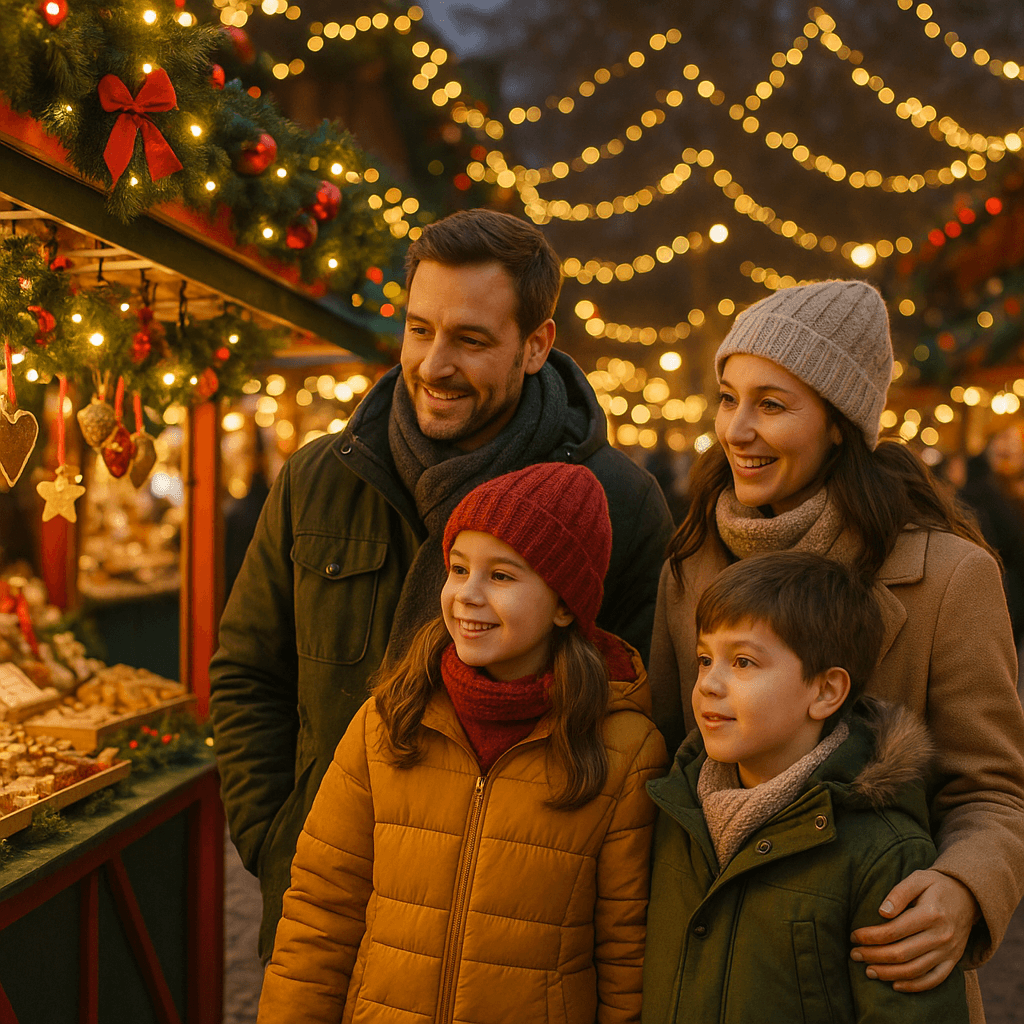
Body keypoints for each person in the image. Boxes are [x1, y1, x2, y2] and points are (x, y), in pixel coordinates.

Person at [210, 208, 674, 959]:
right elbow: (248, 674)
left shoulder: (617, 503)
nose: (431, 364)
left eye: (470, 338)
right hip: (327, 914)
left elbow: (649, 718)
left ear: (536, 345)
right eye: (420, 330)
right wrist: (275, 841)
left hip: (512, 947)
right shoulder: (320, 479)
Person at [646, 279, 1024, 1021]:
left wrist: (963, 887)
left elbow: (993, 789)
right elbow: (664, 756)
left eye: (773, 404)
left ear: (841, 424)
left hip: (872, 972)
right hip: (709, 968)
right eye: (729, 397)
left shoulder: (949, 578)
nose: (736, 430)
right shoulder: (691, 561)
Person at [256, 463, 668, 1023]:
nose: (467, 595)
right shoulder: (390, 720)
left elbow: (626, 956)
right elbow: (320, 912)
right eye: (458, 569)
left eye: (501, 576)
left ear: (566, 603)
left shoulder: (623, 750)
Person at [643, 551, 970, 1023]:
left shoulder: (883, 852)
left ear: (825, 692)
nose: (709, 684)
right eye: (704, 658)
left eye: (743, 661)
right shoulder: (675, 809)